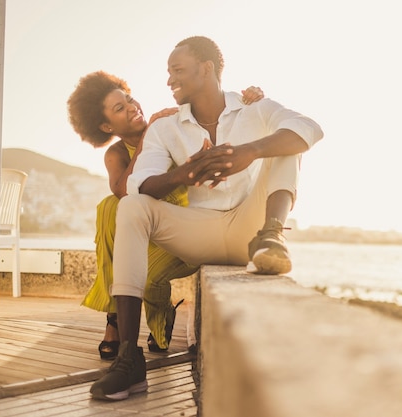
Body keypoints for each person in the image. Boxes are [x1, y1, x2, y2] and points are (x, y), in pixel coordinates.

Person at [89, 35, 323, 401]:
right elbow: (137, 185)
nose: (169, 81)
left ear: (206, 68)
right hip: (199, 232)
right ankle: (128, 359)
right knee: (130, 205)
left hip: (250, 228)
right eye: (168, 73)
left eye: (177, 70)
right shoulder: (165, 128)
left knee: (288, 142)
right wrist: (184, 174)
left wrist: (250, 152)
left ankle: (273, 235)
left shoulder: (254, 108)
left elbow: (310, 128)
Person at [66, 71, 264, 359]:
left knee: (142, 268)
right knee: (111, 206)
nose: (133, 107)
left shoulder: (168, 126)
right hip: (147, 235)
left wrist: (251, 102)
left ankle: (138, 321)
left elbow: (211, 116)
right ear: (106, 125)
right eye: (120, 108)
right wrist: (145, 139)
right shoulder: (117, 154)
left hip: (190, 229)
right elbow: (125, 192)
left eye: (129, 99)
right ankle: (116, 319)